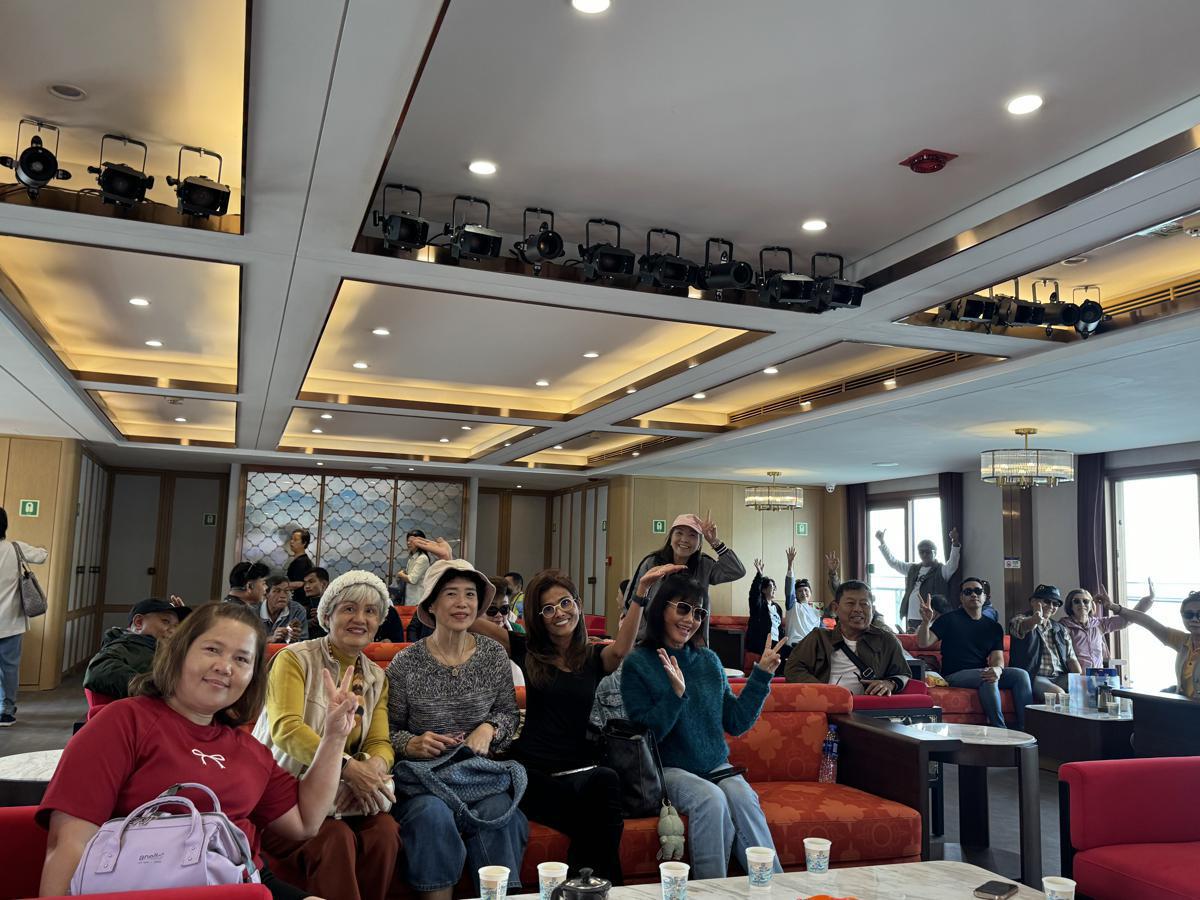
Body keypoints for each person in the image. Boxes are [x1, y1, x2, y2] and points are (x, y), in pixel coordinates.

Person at [36, 601, 358, 898]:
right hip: (144, 884)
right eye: (212, 649)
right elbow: (68, 844)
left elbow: (304, 821)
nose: (225, 666)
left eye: (241, 659)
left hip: (242, 883)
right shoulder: (124, 722)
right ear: (180, 652)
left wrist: (334, 736)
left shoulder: (249, 751)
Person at [477, 564, 678, 884]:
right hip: (532, 772)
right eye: (548, 608)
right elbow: (474, 621)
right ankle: (601, 887)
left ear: (578, 605)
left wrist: (641, 592)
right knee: (595, 818)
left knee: (607, 781)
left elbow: (622, 648)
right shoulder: (526, 649)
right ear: (539, 618)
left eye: (565, 602)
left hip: (576, 769)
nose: (559, 612)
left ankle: (582, 885)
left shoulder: (592, 657)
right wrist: (448, 578)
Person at [621, 573, 785, 880]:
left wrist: (761, 676)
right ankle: (712, 891)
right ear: (662, 609)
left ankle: (774, 888)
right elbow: (644, 735)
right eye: (683, 608)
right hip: (667, 768)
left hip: (715, 765)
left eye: (699, 613)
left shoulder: (708, 660)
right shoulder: (638, 663)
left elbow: (735, 722)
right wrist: (675, 695)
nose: (690, 620)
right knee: (711, 800)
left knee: (745, 799)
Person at [255, 571, 401, 900]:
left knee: (385, 833)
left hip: (343, 797)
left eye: (370, 611)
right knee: (334, 837)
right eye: (349, 609)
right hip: (284, 793)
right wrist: (348, 768)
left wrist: (372, 769)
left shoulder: (377, 677)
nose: (360, 619)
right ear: (327, 616)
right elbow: (286, 729)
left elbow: (380, 742)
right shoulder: (294, 658)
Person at [386, 559, 525, 900]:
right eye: (451, 594)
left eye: (470, 595)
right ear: (431, 604)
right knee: (432, 815)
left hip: (480, 777)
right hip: (424, 782)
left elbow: (509, 714)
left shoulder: (493, 655)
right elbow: (387, 730)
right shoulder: (405, 664)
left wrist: (489, 728)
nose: (462, 603)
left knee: (499, 812)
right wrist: (412, 743)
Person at [919, 577, 1032, 729]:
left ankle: (1027, 728)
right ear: (961, 597)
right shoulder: (948, 620)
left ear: (984, 597)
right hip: (954, 675)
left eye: (978, 591)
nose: (973, 594)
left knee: (1021, 675)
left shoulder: (993, 627)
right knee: (986, 676)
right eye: (968, 592)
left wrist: (997, 669)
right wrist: (926, 622)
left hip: (981, 671)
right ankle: (999, 729)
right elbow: (924, 642)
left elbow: (997, 657)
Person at [623, 511, 745, 643]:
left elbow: (736, 571)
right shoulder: (652, 562)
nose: (685, 539)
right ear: (670, 538)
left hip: (690, 643)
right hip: (650, 642)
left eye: (692, 535)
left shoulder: (704, 564)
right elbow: (630, 602)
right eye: (679, 533)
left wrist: (714, 541)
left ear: (699, 544)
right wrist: (645, 634)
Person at [784, 580, 910, 694]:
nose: (858, 609)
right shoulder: (819, 638)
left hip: (869, 708)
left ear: (873, 609)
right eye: (850, 603)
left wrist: (890, 683)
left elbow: (903, 673)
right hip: (825, 707)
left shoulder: (886, 640)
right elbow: (792, 669)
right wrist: (823, 691)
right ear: (836, 608)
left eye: (864, 604)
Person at [83, 598, 189, 700]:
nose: (173, 631)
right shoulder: (129, 645)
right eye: (166, 621)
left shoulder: (160, 647)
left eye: (177, 626)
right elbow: (97, 669)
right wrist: (151, 686)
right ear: (139, 622)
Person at [1102, 589, 1200, 697]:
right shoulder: (1183, 640)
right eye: (1189, 614)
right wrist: (1114, 607)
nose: (1194, 619)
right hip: (1184, 705)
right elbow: (1147, 622)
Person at [0, 507, 48, 726]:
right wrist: (42, 547)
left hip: (11, 623)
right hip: (11, 622)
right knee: (9, 668)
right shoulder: (15, 548)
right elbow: (42, 555)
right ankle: (6, 711)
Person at [1061, 581, 1155, 671]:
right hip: (1075, 678)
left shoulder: (1099, 624)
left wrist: (1149, 600)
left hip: (1098, 677)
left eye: (1086, 601)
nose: (1082, 604)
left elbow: (1128, 619)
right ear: (1070, 605)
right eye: (1076, 601)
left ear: (1091, 605)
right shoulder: (1063, 626)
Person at [876, 526, 961, 623]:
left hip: (933, 618)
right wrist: (882, 542)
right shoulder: (913, 569)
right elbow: (893, 562)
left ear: (935, 553)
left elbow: (953, 563)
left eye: (928, 552)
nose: (924, 554)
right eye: (921, 552)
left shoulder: (941, 570)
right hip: (912, 616)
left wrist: (955, 542)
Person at [1008, 584, 1082, 694]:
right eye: (1047, 601)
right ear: (1033, 601)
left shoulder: (1061, 629)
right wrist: (1034, 621)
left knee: (1091, 689)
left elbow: (1071, 659)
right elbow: (1023, 626)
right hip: (1035, 677)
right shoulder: (1019, 619)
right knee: (1059, 694)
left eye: (1055, 604)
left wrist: (1081, 681)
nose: (1051, 606)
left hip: (1060, 676)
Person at [782, 547, 821, 655]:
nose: (803, 593)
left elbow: (823, 631)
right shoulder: (792, 605)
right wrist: (790, 566)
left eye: (805, 590)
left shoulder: (817, 610)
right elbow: (789, 589)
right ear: (795, 594)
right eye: (799, 591)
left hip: (812, 648)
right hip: (794, 646)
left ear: (810, 592)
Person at [747, 558, 784, 660]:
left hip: (777, 643)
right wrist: (759, 575)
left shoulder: (777, 608)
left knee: (793, 652)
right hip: (763, 643)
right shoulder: (758, 605)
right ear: (763, 590)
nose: (774, 588)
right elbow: (754, 593)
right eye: (772, 586)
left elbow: (780, 628)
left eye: (775, 586)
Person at [264, 575, 311, 644]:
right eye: (277, 591)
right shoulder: (253, 611)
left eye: (286, 591)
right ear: (266, 594)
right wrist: (271, 639)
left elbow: (304, 642)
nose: (283, 595)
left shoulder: (297, 610)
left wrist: (294, 639)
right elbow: (247, 641)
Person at [394, 530, 433, 600]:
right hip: (410, 596)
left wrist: (400, 574)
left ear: (420, 542)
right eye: (408, 541)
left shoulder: (422, 558)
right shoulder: (413, 557)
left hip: (417, 597)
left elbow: (412, 579)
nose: (408, 543)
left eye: (412, 541)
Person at [285, 528, 315, 608]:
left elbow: (300, 583)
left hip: (300, 603)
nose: (291, 542)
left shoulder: (302, 562)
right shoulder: (300, 560)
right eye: (291, 539)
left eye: (295, 539)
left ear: (304, 543)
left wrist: (282, 586)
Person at [303, 567, 330, 638]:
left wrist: (326, 617)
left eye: (311, 582)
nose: (306, 586)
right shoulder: (301, 608)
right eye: (305, 583)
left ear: (324, 584)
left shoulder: (336, 604)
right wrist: (307, 623)